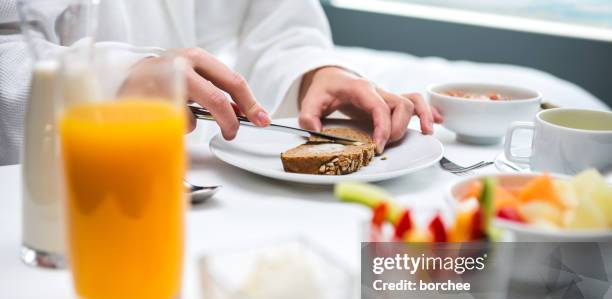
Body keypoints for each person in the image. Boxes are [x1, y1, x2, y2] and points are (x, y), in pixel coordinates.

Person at [0, 0, 442, 165]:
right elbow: (9, 48)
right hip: (64, 187)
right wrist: (116, 79)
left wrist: (314, 73)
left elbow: (275, 21)